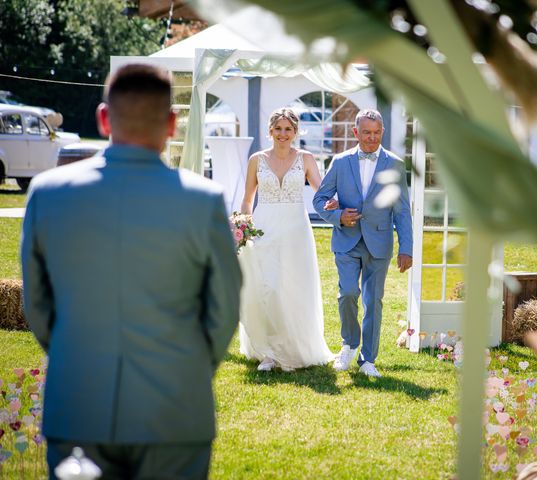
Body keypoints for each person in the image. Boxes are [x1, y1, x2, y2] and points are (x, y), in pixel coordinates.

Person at [21, 63, 242, 480]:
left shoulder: (47, 194)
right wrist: (187, 367)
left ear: (104, 118)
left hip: (79, 403)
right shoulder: (204, 201)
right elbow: (224, 310)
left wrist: (76, 355)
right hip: (175, 409)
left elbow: (37, 302)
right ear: (173, 123)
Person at [313, 109, 413, 378]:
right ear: (355, 132)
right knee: (347, 293)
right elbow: (319, 199)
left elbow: (402, 210)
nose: (371, 138)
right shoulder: (340, 161)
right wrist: (337, 216)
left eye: (376, 132)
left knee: (374, 300)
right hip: (346, 241)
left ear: (383, 132)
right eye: (366, 132)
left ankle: (368, 358)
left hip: (379, 241)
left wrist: (406, 248)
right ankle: (349, 343)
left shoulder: (394, 164)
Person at [238, 107, 335, 371]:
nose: (283, 134)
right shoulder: (256, 160)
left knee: (292, 287)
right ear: (270, 131)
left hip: (295, 231)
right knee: (268, 287)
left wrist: (335, 205)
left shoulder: (305, 159)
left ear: (295, 132)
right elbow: (247, 200)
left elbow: (321, 192)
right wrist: (242, 227)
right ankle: (269, 352)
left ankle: (294, 347)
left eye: (288, 129)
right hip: (264, 228)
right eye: (278, 129)